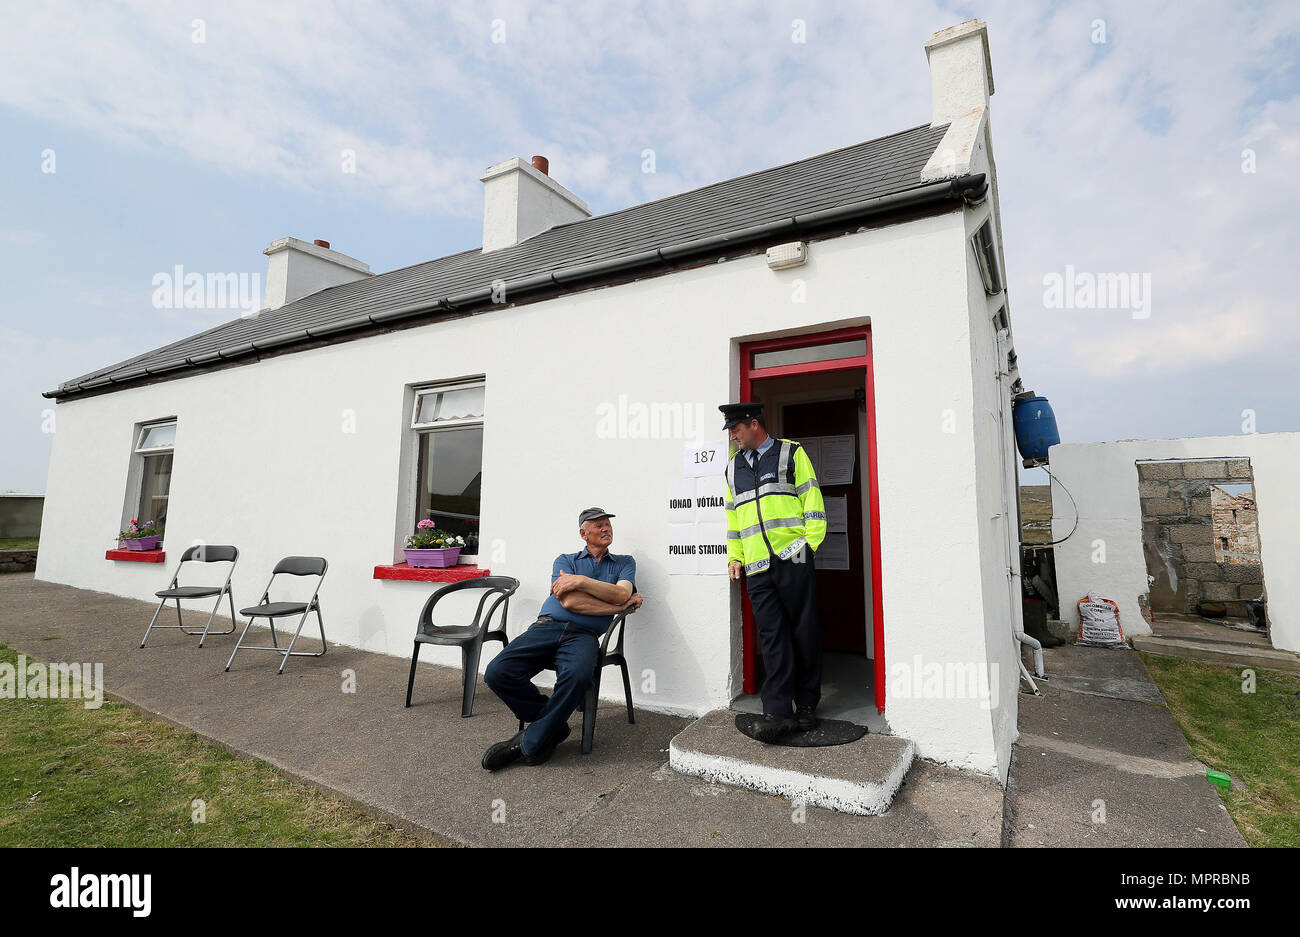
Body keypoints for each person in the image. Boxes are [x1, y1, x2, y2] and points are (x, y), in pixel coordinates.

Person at [481, 508, 642, 770]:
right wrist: (615, 603)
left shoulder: (625, 562)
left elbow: (620, 593)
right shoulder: (565, 560)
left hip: (584, 636)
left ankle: (529, 743)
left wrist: (581, 582)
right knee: (497, 672)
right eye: (598, 525)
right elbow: (570, 600)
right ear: (583, 533)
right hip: (546, 627)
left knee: (579, 676)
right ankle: (553, 727)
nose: (606, 529)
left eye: (608, 525)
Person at [720, 402, 826, 743]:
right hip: (756, 566)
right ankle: (777, 710)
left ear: (754, 425)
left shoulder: (791, 453)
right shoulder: (732, 467)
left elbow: (812, 498)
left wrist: (809, 546)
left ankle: (807, 704)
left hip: (793, 557)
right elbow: (733, 518)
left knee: (803, 631)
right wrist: (735, 557)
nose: (733, 437)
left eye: (736, 430)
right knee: (772, 637)